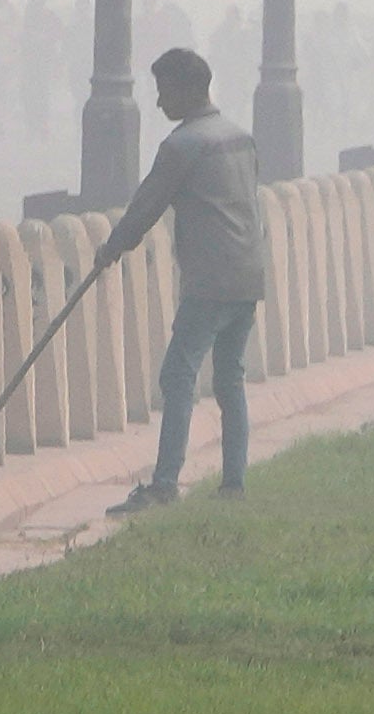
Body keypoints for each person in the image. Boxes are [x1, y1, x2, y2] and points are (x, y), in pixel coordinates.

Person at [99, 46, 267, 509]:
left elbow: (147, 205)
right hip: (248, 273)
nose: (158, 103)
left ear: (189, 90)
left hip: (210, 281)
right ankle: (233, 483)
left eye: (164, 91)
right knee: (230, 379)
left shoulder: (182, 146)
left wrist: (113, 247)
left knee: (178, 375)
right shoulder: (239, 137)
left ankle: (165, 485)